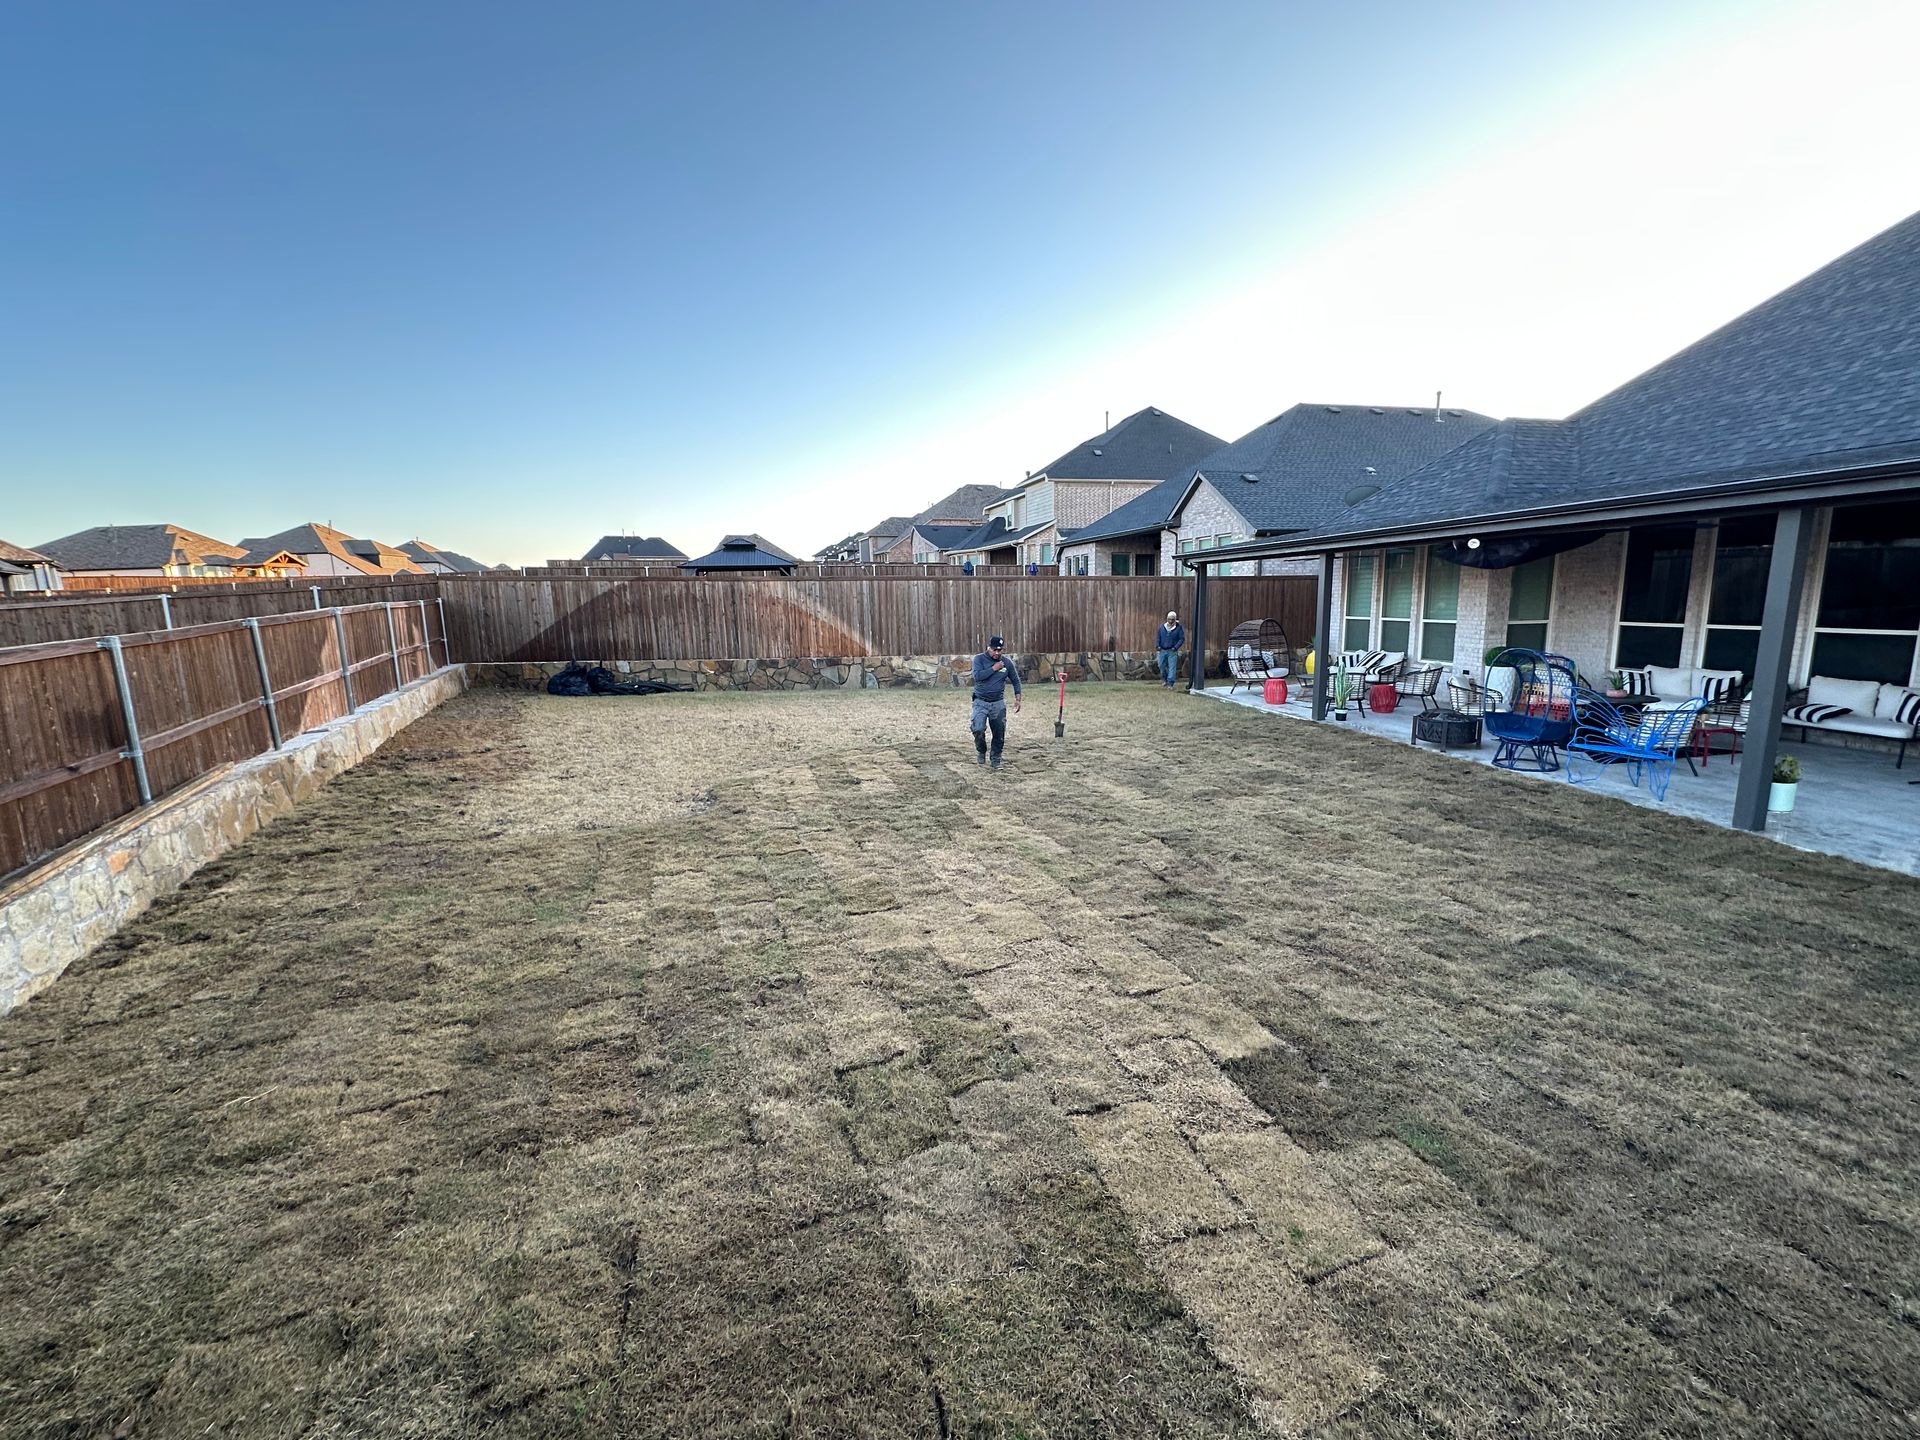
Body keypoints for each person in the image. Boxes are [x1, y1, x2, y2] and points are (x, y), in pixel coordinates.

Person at [969, 634, 1023, 769]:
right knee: (978, 729)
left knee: (999, 733)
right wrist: (994, 668)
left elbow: (1015, 680)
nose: (997, 653)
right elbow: (977, 676)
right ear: (988, 648)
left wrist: (1018, 698)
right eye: (995, 650)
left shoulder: (1007, 663)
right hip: (980, 701)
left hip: (998, 703)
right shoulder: (979, 659)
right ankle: (981, 750)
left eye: (1000, 650)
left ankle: (996, 759)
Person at [1155, 610, 1186, 688]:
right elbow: (1158, 637)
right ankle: (1164, 679)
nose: (1171, 621)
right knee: (1161, 665)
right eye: (1169, 619)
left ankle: (1170, 683)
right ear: (1167, 619)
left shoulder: (1178, 628)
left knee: (1172, 667)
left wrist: (1176, 647)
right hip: (1162, 650)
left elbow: (1181, 639)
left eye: (1172, 619)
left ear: (1175, 619)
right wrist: (1157, 645)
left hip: (1172, 651)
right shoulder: (1162, 627)